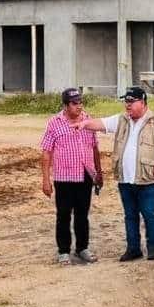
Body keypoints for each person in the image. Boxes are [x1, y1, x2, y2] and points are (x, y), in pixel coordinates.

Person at [72, 87, 154, 261]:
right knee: (130, 215)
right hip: (125, 179)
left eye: (131, 102)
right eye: (126, 102)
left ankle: (153, 249)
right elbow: (101, 123)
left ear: (142, 103)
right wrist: (84, 124)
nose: (127, 105)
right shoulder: (122, 120)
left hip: (147, 179)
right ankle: (133, 249)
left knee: (150, 214)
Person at [40, 88, 103, 266]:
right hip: (64, 177)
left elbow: (95, 148)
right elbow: (46, 153)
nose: (79, 106)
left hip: (85, 174)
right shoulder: (54, 123)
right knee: (64, 215)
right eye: (75, 103)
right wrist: (45, 180)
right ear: (66, 105)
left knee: (82, 214)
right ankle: (64, 251)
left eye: (80, 102)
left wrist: (99, 172)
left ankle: (82, 248)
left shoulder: (87, 120)